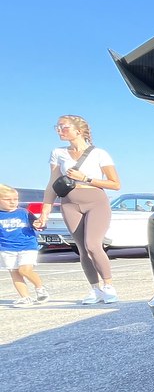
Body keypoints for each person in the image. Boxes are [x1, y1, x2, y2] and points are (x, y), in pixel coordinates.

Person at [35, 115, 122, 304]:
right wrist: (45, 212)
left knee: (93, 244)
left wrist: (86, 178)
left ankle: (108, 286)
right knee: (82, 248)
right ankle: (95, 289)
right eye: (57, 127)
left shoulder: (99, 153)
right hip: (69, 203)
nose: (59, 130)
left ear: (79, 130)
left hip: (96, 201)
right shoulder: (58, 152)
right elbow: (52, 184)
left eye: (64, 127)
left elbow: (115, 184)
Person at [0, 184, 49, 307]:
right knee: (15, 273)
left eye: (15, 199)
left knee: (24, 270)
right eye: (8, 199)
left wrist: (39, 224)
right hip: (7, 249)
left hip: (27, 246)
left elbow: (39, 224)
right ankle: (25, 297)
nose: (12, 202)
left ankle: (40, 289)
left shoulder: (24, 212)